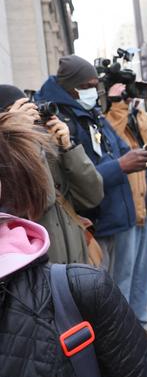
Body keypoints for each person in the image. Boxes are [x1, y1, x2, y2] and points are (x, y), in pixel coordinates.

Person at [0, 112, 147, 377]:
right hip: (50, 263)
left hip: (68, 267)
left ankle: (135, 325)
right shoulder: (24, 144)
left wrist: (67, 147)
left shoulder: (86, 119)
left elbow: (91, 191)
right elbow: (39, 198)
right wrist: (23, 148)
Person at [36, 56, 147, 300]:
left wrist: (143, 154)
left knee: (123, 284)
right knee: (101, 296)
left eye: (95, 85)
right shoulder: (58, 121)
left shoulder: (92, 112)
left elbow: (121, 149)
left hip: (121, 214)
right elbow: (76, 181)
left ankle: (130, 332)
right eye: (87, 86)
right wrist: (120, 166)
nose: (94, 91)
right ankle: (112, 337)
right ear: (70, 87)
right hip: (96, 223)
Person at [0, 85, 104, 264]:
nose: (29, 120)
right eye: (19, 114)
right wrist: (20, 141)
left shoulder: (45, 147)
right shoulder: (9, 158)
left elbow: (92, 196)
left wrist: (68, 149)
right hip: (43, 274)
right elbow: (42, 200)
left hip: (77, 264)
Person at [105, 81, 147, 347]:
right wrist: (117, 104)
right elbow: (112, 132)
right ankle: (120, 335)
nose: (129, 95)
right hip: (127, 203)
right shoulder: (108, 114)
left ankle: (140, 325)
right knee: (124, 274)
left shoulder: (139, 113)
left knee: (145, 271)